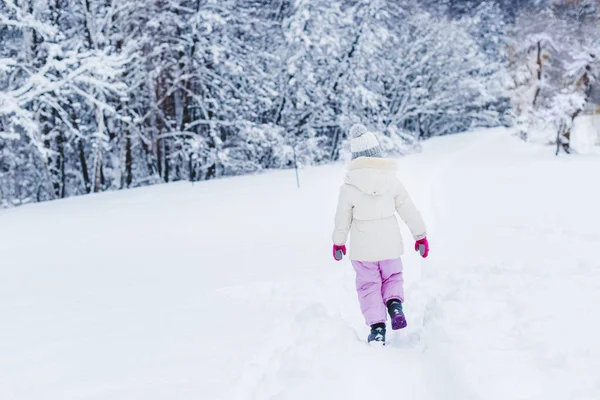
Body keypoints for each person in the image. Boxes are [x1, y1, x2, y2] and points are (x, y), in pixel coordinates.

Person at [332, 124, 429, 345]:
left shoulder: (349, 186)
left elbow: (341, 218)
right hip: (390, 246)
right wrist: (420, 235)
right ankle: (394, 304)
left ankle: (377, 328)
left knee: (369, 285)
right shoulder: (391, 181)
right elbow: (408, 208)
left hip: (363, 250)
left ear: (355, 158)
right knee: (392, 277)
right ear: (378, 153)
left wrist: (338, 243)